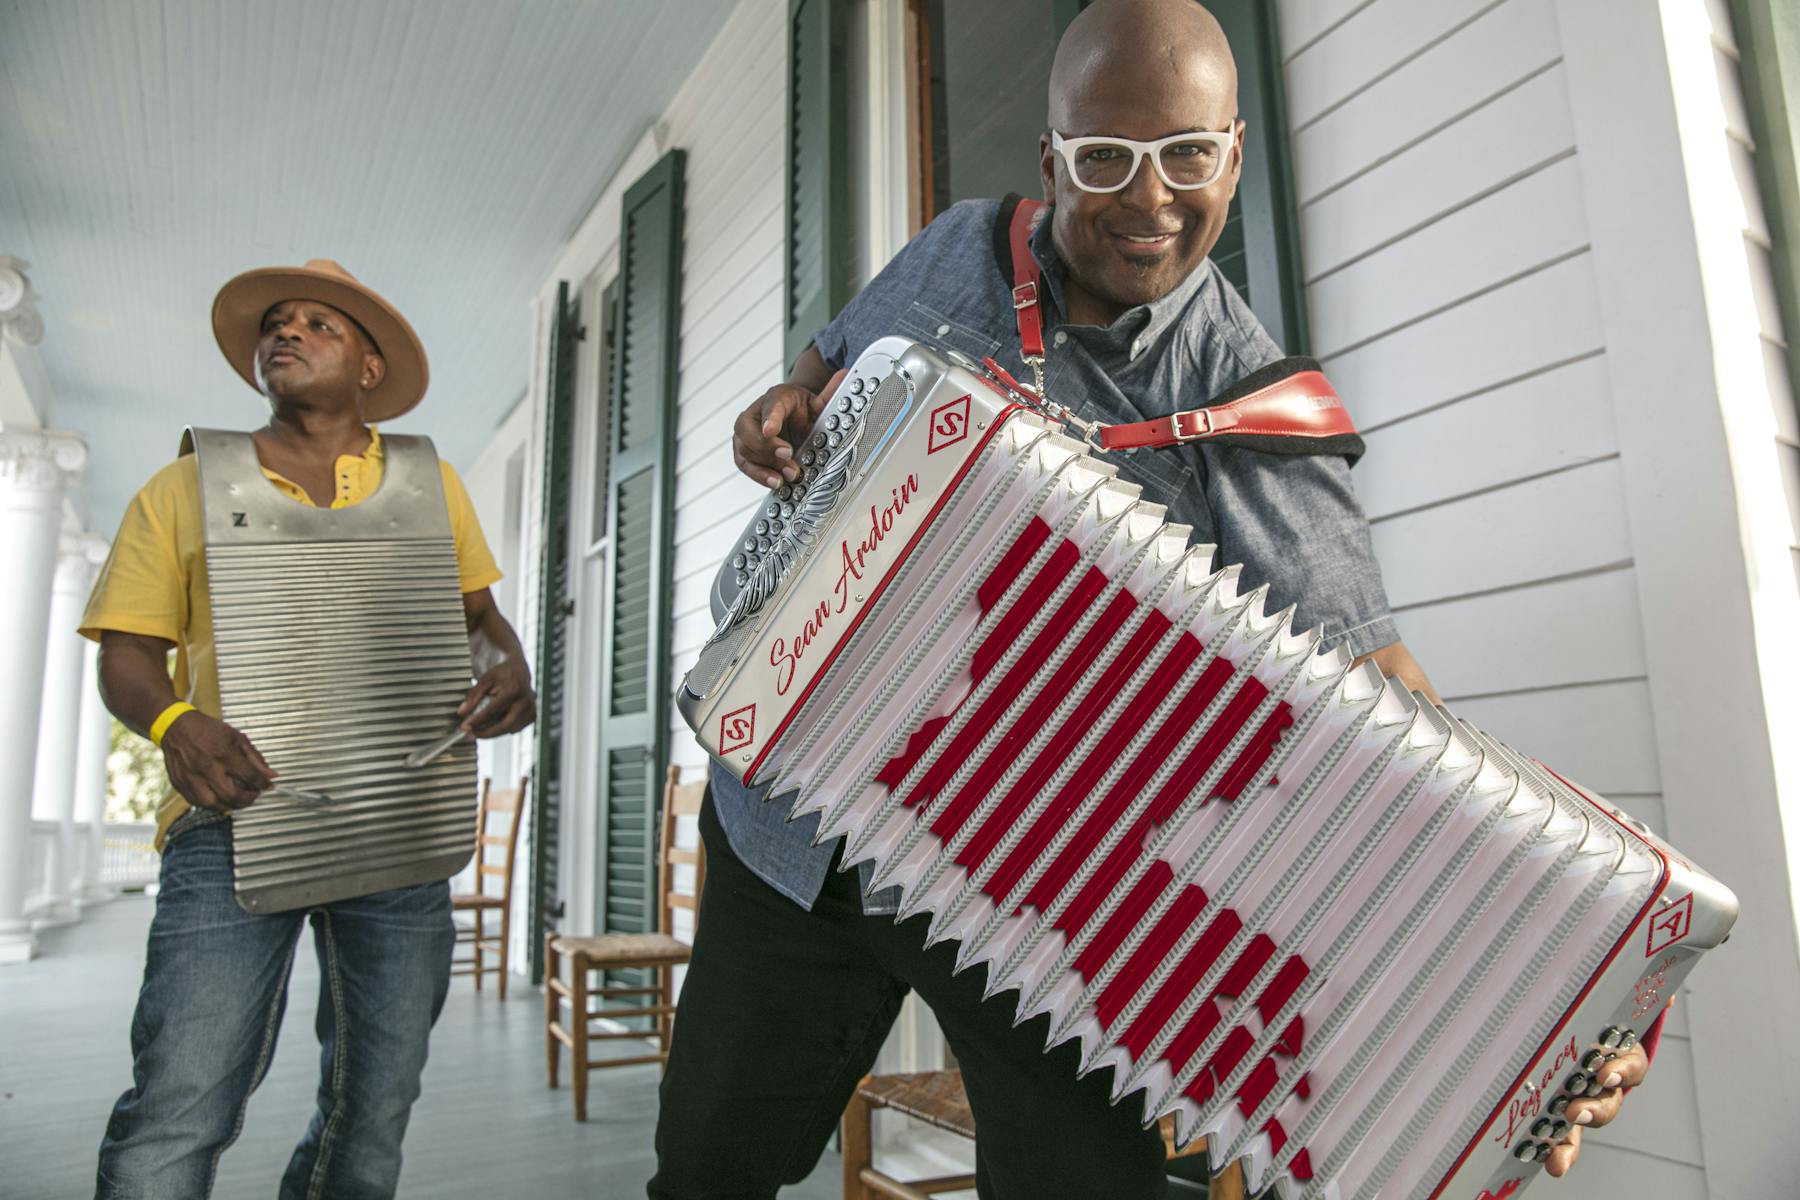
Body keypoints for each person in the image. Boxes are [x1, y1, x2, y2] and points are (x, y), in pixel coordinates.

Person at [655, 2, 1654, 1197]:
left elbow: (1399, 724)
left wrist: (1568, 977)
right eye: (1105, 158)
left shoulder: (1259, 422)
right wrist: (782, 405)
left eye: (1187, 153)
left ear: (1234, 152)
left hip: (1022, 896)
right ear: (1051, 160)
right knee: (708, 1172)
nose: (1149, 198)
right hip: (791, 831)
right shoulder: (955, 248)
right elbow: (828, 367)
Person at [85, 259, 536, 1199]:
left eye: (316, 324)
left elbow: (479, 624)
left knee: (373, 1108)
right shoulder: (183, 485)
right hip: (233, 826)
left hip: (400, 825)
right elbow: (126, 657)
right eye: (274, 324)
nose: (284, 333)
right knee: (181, 1102)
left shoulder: (430, 481)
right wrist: (175, 722)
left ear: (370, 368)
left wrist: (509, 669)